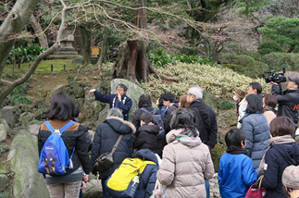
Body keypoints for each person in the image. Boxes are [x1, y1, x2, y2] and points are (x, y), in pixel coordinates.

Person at [38, 92, 90, 198]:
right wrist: (87, 171)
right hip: (72, 172)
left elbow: (41, 153)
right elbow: (83, 153)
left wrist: (46, 173)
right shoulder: (77, 128)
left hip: (51, 171)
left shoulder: (43, 127)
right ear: (70, 107)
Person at [157, 108, 214, 198]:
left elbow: (165, 179)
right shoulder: (204, 148)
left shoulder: (170, 149)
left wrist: (159, 173)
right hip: (199, 194)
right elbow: (209, 174)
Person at [90, 108, 135, 198]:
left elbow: (95, 150)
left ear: (109, 116)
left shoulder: (101, 128)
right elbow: (131, 153)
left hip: (106, 167)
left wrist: (94, 169)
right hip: (123, 170)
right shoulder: (127, 130)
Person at [187, 86, 217, 198]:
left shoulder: (189, 112)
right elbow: (214, 132)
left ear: (193, 97)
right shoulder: (210, 111)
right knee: (204, 176)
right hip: (205, 147)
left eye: (188, 94)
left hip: (190, 147)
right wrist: (208, 146)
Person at [260, 117, 299, 198]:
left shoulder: (272, 152)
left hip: (276, 194)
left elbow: (270, 182)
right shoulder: (296, 147)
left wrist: (260, 179)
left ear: (274, 132)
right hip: (293, 193)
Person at [218, 128, 257, 198]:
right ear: (242, 142)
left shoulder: (223, 158)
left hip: (226, 195)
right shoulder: (246, 160)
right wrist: (258, 171)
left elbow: (221, 179)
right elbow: (249, 180)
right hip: (241, 195)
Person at [240, 94, 269, 169]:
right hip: (263, 155)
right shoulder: (262, 116)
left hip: (253, 158)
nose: (244, 103)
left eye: (246, 101)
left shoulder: (248, 121)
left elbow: (247, 143)